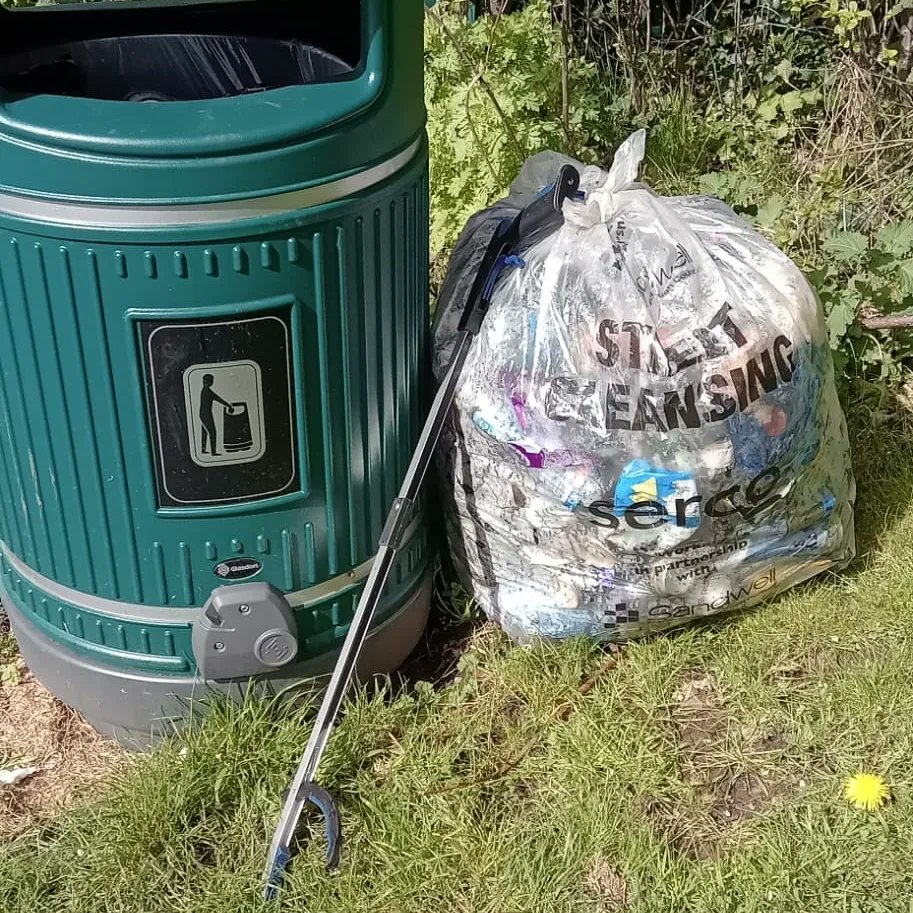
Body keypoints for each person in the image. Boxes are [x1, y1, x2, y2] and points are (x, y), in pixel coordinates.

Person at [199, 374, 233, 457]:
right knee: (212, 432)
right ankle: (213, 452)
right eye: (211, 380)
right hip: (206, 414)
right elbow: (217, 398)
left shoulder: (205, 390)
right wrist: (228, 405)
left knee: (205, 431)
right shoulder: (207, 391)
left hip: (203, 413)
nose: (212, 382)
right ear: (208, 381)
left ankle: (203, 450)